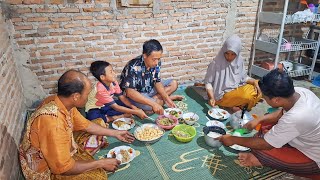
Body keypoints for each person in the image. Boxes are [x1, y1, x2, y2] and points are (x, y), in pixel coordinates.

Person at [19, 70, 135, 179]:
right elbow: (63, 169)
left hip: (60, 146)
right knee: (98, 176)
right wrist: (100, 163)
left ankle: (84, 154)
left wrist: (116, 133)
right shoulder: (53, 124)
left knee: (100, 122)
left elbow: (86, 125)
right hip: (49, 170)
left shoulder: (61, 102)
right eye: (87, 93)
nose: (90, 96)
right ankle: (84, 156)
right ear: (76, 96)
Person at [217, 69, 320, 179]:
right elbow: (282, 113)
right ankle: (268, 150)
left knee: (259, 150)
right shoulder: (300, 92)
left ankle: (260, 159)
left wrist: (232, 139)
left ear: (276, 100)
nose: (264, 100)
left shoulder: (298, 116)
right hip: (299, 138)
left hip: (312, 157)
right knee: (265, 124)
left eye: (265, 98)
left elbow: (266, 144)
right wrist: (259, 120)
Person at [119, 39, 183, 115]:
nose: (157, 62)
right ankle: (155, 102)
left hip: (150, 88)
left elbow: (157, 81)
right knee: (150, 106)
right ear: (145, 55)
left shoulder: (156, 61)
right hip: (138, 94)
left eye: (159, 59)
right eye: (154, 59)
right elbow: (130, 93)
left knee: (174, 83)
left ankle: (158, 100)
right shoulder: (133, 66)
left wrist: (167, 99)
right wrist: (153, 104)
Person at [204, 35, 261, 111]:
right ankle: (237, 105)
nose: (229, 57)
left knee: (259, 88)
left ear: (237, 53)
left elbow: (243, 78)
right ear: (223, 50)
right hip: (223, 95)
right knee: (247, 95)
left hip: (237, 88)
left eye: (233, 54)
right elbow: (208, 83)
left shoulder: (239, 61)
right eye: (227, 53)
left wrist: (254, 82)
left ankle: (235, 105)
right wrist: (211, 98)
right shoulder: (215, 63)